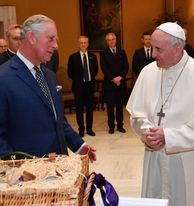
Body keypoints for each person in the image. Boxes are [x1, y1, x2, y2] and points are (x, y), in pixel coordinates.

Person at [126, 22, 194, 206]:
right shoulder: (147, 72)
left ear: (177, 48)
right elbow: (136, 115)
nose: (153, 54)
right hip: (155, 158)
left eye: (158, 49)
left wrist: (169, 136)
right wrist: (148, 132)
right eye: (152, 48)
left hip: (189, 160)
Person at [0, 14, 96, 162]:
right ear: (31, 37)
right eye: (51, 38)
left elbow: (58, 121)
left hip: (59, 169)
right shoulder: (3, 78)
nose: (56, 46)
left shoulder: (50, 76)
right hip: (28, 178)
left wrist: (79, 145)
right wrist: (18, 169)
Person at [67, 35, 99, 137]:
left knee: (90, 108)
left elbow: (95, 70)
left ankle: (89, 129)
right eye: (81, 43)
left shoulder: (93, 57)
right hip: (78, 87)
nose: (83, 45)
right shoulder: (73, 57)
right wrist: (78, 80)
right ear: (78, 44)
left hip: (90, 86)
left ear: (88, 44)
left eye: (85, 43)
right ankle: (81, 129)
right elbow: (70, 72)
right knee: (80, 109)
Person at [100, 32, 128, 134]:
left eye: (113, 39)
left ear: (116, 40)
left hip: (120, 84)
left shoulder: (122, 51)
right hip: (109, 84)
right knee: (110, 107)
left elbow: (126, 67)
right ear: (107, 42)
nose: (111, 42)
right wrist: (114, 79)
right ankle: (111, 126)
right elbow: (104, 68)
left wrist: (120, 77)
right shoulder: (104, 53)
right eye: (109, 40)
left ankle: (120, 125)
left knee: (120, 106)